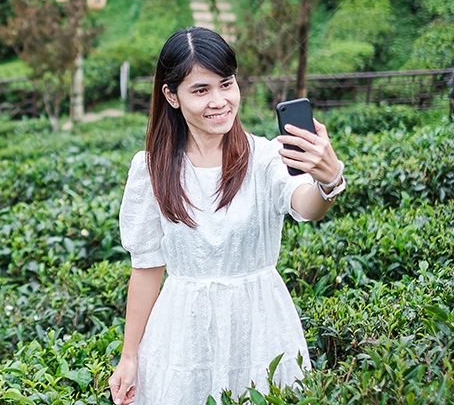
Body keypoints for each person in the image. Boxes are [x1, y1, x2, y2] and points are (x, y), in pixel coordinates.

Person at [110, 27, 347, 405]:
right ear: (171, 96)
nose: (219, 101)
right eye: (201, 90)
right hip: (182, 333)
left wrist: (329, 181)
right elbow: (146, 269)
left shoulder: (265, 157)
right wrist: (129, 356)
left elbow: (307, 206)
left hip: (260, 325)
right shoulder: (151, 169)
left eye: (226, 84)